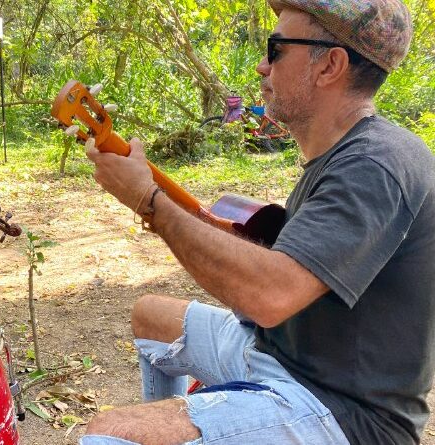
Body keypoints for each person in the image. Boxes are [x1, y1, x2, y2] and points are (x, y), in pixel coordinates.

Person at [80, 1, 434, 444]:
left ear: (331, 65)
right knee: (150, 315)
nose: (261, 66)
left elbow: (270, 295)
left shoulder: (377, 165)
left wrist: (148, 200)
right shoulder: (338, 156)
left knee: (110, 433)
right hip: (285, 352)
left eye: (276, 48)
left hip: (345, 412)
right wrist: (152, 198)